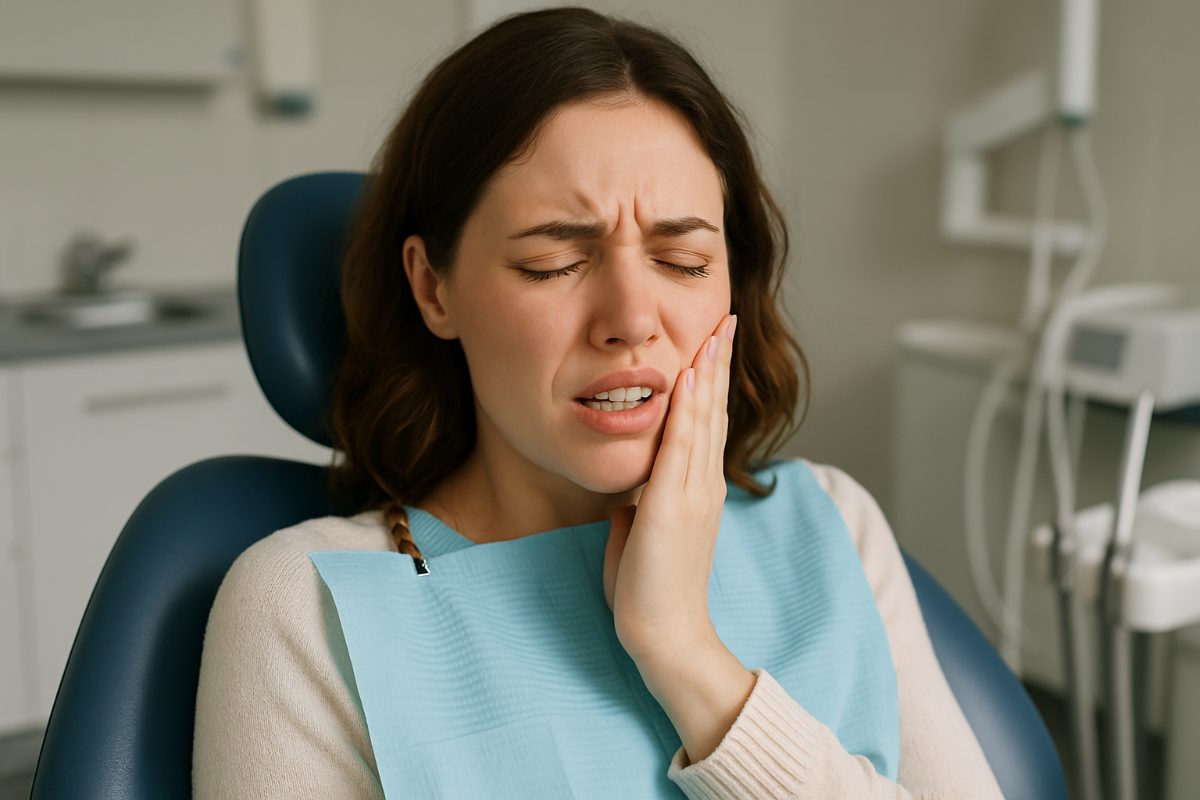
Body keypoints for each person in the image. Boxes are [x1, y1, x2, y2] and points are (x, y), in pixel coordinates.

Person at [193, 7, 1005, 798]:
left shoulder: (831, 522)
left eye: (683, 260)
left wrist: (690, 659)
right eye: (553, 262)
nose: (631, 321)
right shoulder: (304, 607)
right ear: (433, 287)